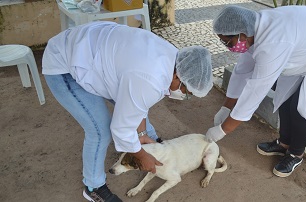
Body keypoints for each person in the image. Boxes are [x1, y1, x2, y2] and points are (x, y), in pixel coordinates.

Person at [42, 21, 213, 202]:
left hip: (93, 54)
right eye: (186, 91)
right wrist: (141, 156)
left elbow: (139, 104)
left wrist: (141, 133)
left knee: (135, 111)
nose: (184, 95)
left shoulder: (176, 59)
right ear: (178, 76)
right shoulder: (150, 80)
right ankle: (93, 187)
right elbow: (121, 128)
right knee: (101, 131)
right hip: (64, 63)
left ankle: (155, 145)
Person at [206, 5, 306, 177]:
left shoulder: (274, 42)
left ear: (241, 34)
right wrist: (226, 107)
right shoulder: (254, 29)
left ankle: (296, 154)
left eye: (226, 41)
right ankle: (283, 144)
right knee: (284, 97)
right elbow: (242, 71)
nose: (226, 46)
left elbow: (256, 90)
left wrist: (223, 130)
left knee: (302, 108)